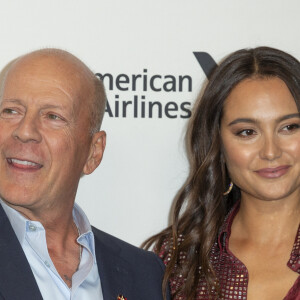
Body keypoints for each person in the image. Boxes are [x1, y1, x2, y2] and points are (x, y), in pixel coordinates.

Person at [0, 49, 168, 300]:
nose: (25, 132)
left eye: (53, 117)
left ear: (93, 152)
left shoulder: (144, 274)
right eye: (11, 111)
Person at [143, 46, 300, 300]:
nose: (271, 151)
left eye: (289, 127)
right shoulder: (181, 261)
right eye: (247, 132)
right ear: (218, 143)